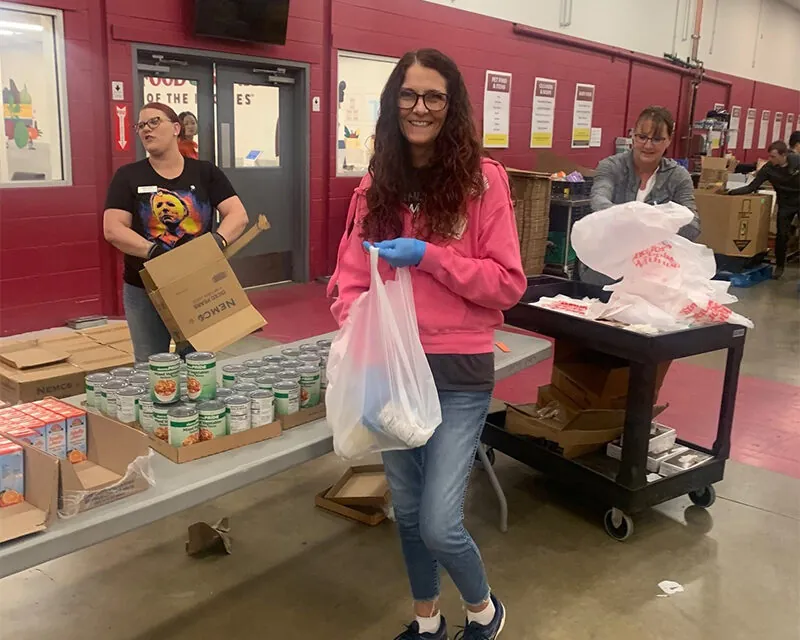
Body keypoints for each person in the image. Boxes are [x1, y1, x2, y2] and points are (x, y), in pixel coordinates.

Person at [328, 49, 526, 640]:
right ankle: (427, 620)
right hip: (388, 370)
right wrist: (355, 314)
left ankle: (484, 609)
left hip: (458, 371)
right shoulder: (374, 186)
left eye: (434, 96)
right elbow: (348, 277)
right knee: (409, 513)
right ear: (394, 103)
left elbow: (507, 283)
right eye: (409, 95)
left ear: (452, 105)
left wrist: (433, 259)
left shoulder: (481, 181)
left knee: (440, 522)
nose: (420, 107)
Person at [103, 102, 248, 361]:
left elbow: (238, 215)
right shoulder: (128, 176)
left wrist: (218, 240)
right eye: (141, 125)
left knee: (197, 364)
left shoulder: (205, 172)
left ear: (176, 128)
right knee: (151, 365)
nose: (147, 129)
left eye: (154, 122)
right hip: (145, 289)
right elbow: (113, 228)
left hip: (197, 286)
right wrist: (152, 250)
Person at [583, 106, 700, 284]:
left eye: (657, 139)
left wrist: (655, 226)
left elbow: (693, 224)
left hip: (656, 273)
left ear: (669, 140)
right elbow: (599, 200)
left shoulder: (678, 176)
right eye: (642, 137)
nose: (648, 145)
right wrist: (631, 218)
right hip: (606, 269)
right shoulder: (611, 166)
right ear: (633, 136)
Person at [728, 140, 799, 278]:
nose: (770, 159)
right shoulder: (769, 169)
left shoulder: (797, 161)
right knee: (781, 235)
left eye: (773, 156)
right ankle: (779, 266)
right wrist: (730, 193)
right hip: (785, 202)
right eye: (770, 156)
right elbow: (752, 187)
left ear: (783, 155)